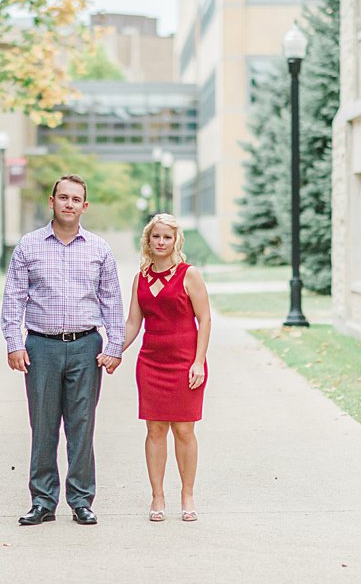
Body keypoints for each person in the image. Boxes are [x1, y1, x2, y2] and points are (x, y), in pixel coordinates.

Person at [1, 174, 124, 527]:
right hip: (41, 347)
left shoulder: (99, 249)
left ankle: (81, 500)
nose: (69, 204)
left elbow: (112, 301)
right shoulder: (29, 246)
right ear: (52, 201)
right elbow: (14, 297)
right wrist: (13, 343)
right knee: (43, 426)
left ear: (85, 206)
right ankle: (42, 501)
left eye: (76, 199)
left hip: (86, 347)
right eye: (63, 197)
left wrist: (114, 346)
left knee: (81, 425)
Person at [121, 212, 211, 523]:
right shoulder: (140, 278)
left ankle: (187, 493)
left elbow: (205, 319)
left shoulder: (189, 275)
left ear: (176, 241)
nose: (161, 242)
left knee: (184, 430)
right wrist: (112, 350)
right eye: (156, 236)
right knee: (155, 429)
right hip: (151, 362)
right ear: (148, 239)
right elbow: (133, 323)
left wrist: (198, 361)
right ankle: (157, 496)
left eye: (167, 237)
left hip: (186, 362)